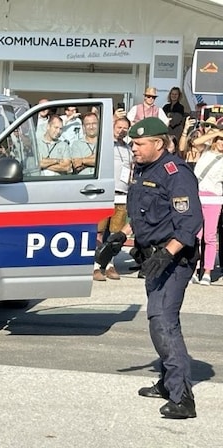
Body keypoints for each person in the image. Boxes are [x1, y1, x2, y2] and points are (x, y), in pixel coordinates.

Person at [123, 117, 201, 419]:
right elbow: (142, 213)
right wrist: (122, 237)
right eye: (132, 143)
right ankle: (169, 383)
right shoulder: (144, 170)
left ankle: (183, 399)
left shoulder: (175, 173)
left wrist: (165, 255)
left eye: (140, 143)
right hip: (153, 259)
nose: (134, 148)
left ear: (159, 143)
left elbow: (189, 224)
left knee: (163, 321)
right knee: (158, 321)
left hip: (173, 260)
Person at [93, 117, 132, 281]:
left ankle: (110, 264)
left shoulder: (129, 149)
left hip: (122, 194)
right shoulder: (106, 145)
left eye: (125, 128)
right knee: (100, 231)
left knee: (115, 233)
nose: (121, 130)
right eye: (119, 127)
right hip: (105, 193)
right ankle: (96, 265)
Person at [190, 128, 223, 286]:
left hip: (214, 198)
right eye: (221, 140)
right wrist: (215, 134)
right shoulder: (206, 152)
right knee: (196, 234)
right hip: (197, 196)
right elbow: (196, 142)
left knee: (209, 236)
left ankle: (207, 271)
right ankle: (194, 269)